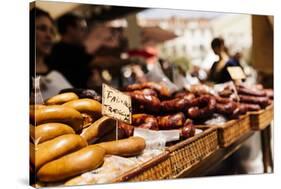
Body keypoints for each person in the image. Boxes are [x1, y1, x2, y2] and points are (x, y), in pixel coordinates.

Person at [47, 13, 92, 88]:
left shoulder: (78, 48)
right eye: (82, 29)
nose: (85, 33)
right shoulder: (56, 52)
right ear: (70, 29)